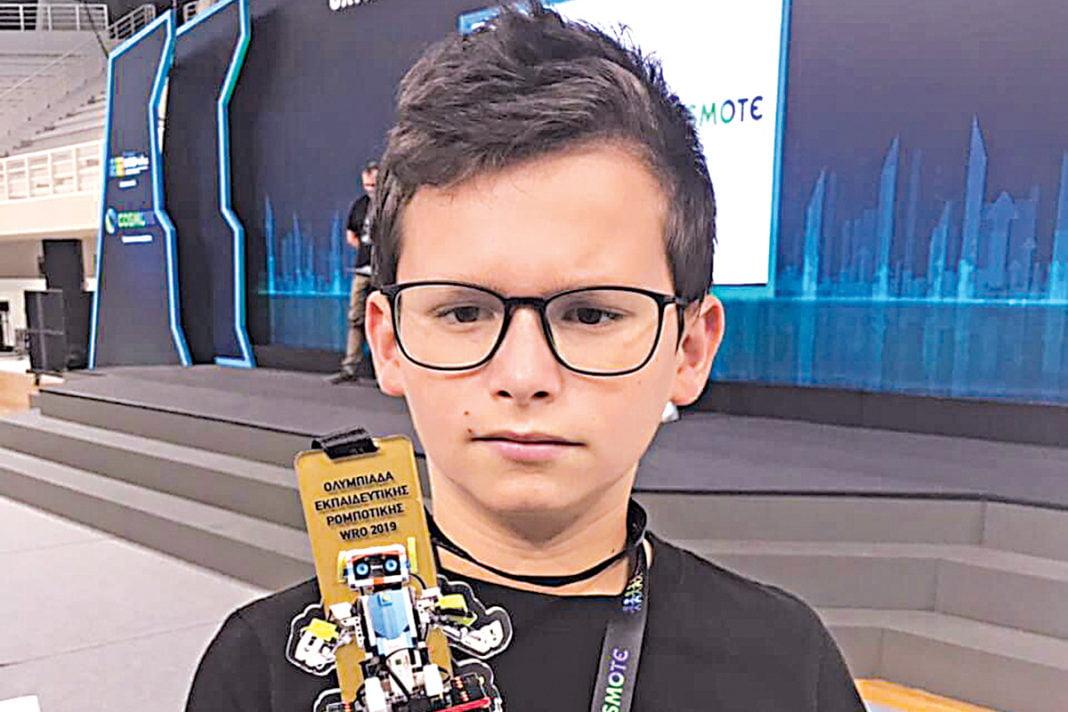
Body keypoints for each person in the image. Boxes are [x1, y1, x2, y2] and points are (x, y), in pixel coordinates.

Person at [187, 3, 867, 711]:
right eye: (463, 313)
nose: (523, 376)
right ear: (389, 343)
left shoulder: (785, 665)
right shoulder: (263, 675)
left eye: (591, 314)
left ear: (689, 349)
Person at [328, 161, 379, 384]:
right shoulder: (359, 205)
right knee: (356, 318)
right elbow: (351, 235)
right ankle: (350, 368)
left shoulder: (393, 205)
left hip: (384, 274)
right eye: (367, 185)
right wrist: (365, 250)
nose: (370, 189)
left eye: (374, 185)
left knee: (386, 320)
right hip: (362, 270)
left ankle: (385, 371)